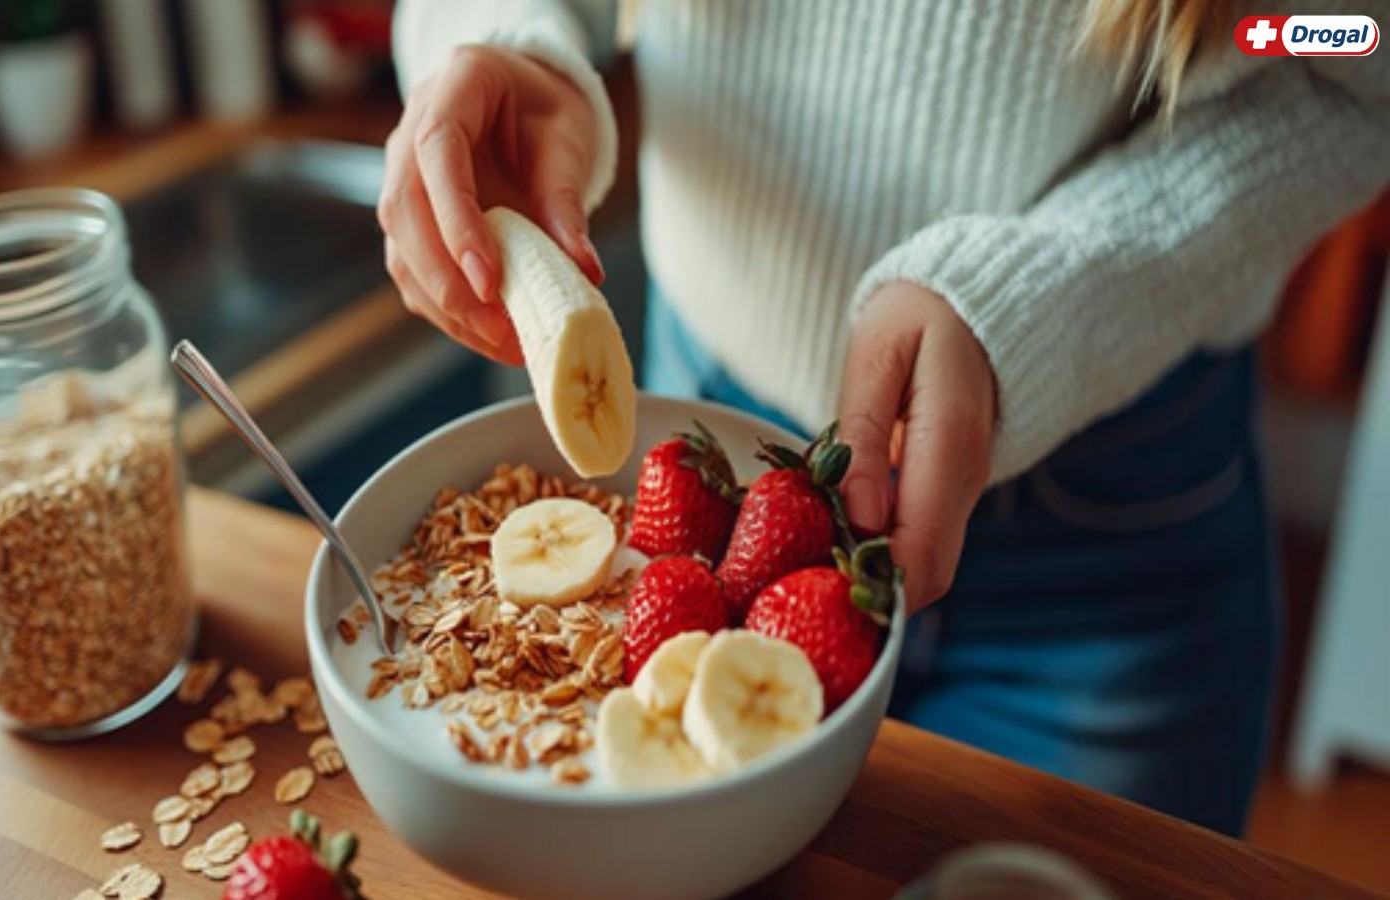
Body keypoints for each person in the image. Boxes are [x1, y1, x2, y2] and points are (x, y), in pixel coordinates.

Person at [377, 0, 1390, 834]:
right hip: (710, 451)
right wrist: (505, 40)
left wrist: (1042, 292)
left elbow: (1346, 53)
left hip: (1092, 546)